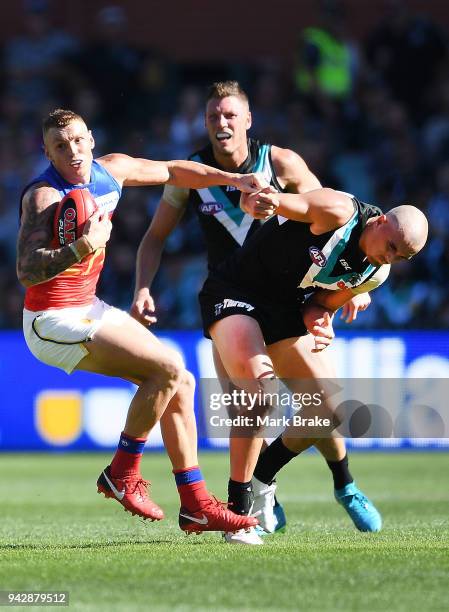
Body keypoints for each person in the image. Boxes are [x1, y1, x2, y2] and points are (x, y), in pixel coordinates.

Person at [132, 81, 378, 545]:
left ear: (248, 121)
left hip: (288, 297)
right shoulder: (194, 173)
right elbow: (154, 237)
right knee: (248, 409)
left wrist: (352, 284)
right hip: (231, 297)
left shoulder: (281, 162)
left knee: (323, 407)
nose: (220, 124)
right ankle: (257, 498)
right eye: (212, 117)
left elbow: (332, 219)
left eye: (229, 115)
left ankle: (343, 483)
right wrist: (142, 287)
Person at [16, 108, 266, 535]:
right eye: (60, 145)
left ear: (91, 139)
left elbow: (172, 170)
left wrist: (233, 180)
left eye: (77, 140)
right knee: (166, 371)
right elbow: (26, 269)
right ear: (48, 152)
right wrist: (83, 246)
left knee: (181, 381)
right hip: (50, 319)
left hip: (87, 306)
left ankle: (195, 504)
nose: (72, 151)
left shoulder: (112, 171)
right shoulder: (44, 196)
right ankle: (121, 474)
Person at [200, 187, 428, 537]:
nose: (391, 257)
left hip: (283, 308)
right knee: (259, 399)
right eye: (392, 246)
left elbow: (318, 303)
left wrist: (320, 318)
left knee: (330, 410)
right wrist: (260, 199)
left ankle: (268, 479)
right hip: (236, 291)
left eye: (402, 257)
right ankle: (240, 512)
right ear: (380, 221)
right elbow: (284, 202)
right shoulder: (338, 211)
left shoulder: (375, 274)